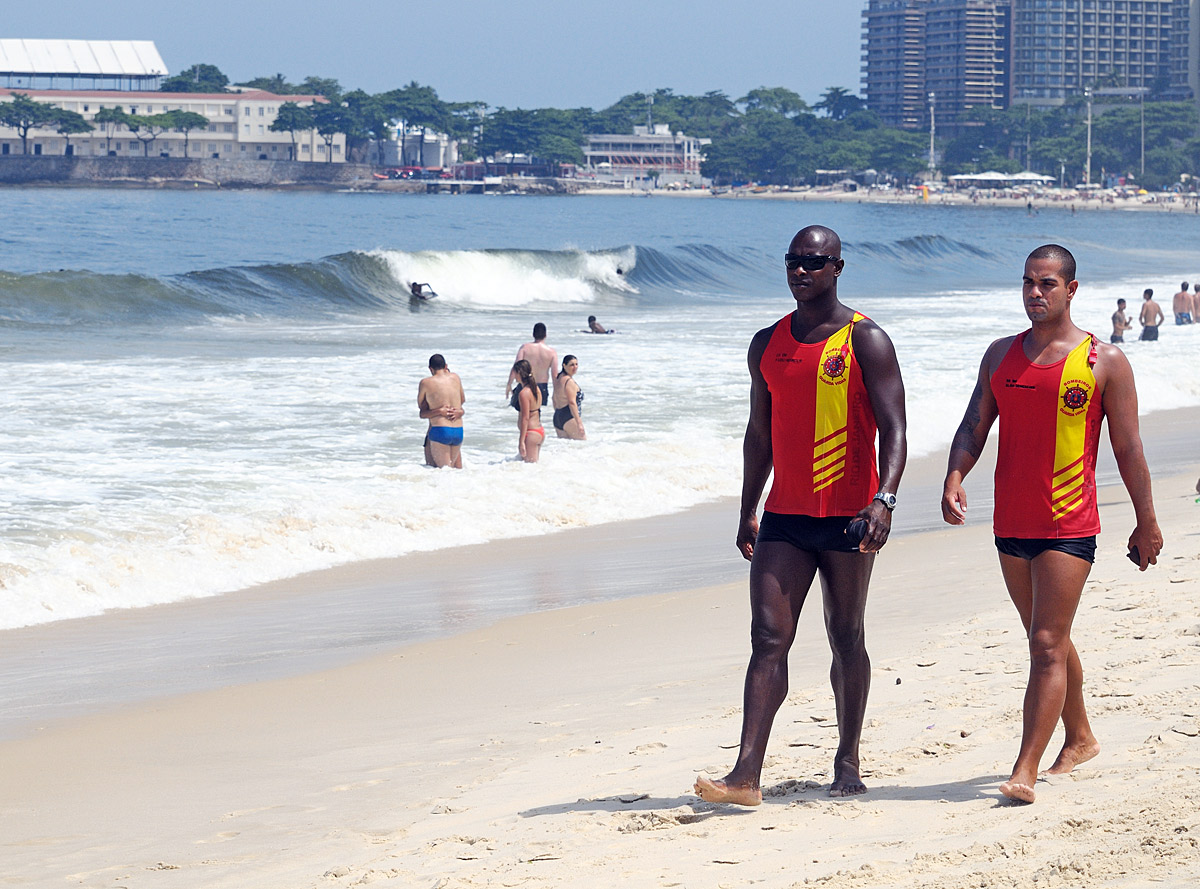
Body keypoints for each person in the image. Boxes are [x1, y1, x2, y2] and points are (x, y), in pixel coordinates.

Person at [693, 225, 907, 807]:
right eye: (793, 261)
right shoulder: (767, 342)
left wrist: (883, 500)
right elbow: (758, 433)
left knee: (846, 635)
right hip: (784, 515)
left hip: (848, 517)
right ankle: (745, 774)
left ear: (838, 267)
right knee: (769, 638)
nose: (801, 271)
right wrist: (746, 509)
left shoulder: (867, 340)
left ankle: (847, 756)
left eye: (814, 262)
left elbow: (895, 428)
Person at [941, 244, 1162, 805]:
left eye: (1046, 284)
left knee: (1044, 642)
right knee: (1050, 638)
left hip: (1069, 523)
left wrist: (1147, 521)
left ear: (1071, 289)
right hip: (1011, 521)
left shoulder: (1104, 361)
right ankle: (1081, 737)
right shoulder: (999, 355)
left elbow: (1128, 447)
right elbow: (974, 426)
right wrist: (954, 475)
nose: (1034, 294)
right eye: (1027, 283)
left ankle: (1025, 769)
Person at [417, 354, 465, 468]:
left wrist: (439, 411)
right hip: (458, 430)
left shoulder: (426, 382)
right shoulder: (456, 378)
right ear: (446, 366)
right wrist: (460, 411)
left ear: (430, 368)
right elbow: (462, 400)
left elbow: (422, 410)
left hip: (440, 430)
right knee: (455, 471)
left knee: (442, 472)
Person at [506, 323, 557, 409]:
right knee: (537, 414)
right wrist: (556, 393)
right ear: (545, 335)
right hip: (542, 387)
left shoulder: (525, 348)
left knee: (521, 413)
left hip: (525, 385)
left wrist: (509, 384)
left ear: (533, 334)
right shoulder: (552, 352)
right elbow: (554, 375)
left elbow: (516, 367)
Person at [512, 359, 545, 463]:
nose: (514, 376)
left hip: (530, 433)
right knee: (532, 469)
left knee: (529, 470)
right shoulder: (536, 389)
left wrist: (521, 441)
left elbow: (525, 418)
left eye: (515, 373)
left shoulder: (524, 393)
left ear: (519, 373)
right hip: (538, 431)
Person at [552, 355, 586, 440]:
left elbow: (554, 398)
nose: (575, 367)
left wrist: (559, 414)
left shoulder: (559, 378)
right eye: (572, 365)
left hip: (557, 416)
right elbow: (572, 402)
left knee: (566, 448)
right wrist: (579, 423)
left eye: (576, 364)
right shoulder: (569, 382)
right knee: (582, 445)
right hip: (569, 416)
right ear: (564, 365)